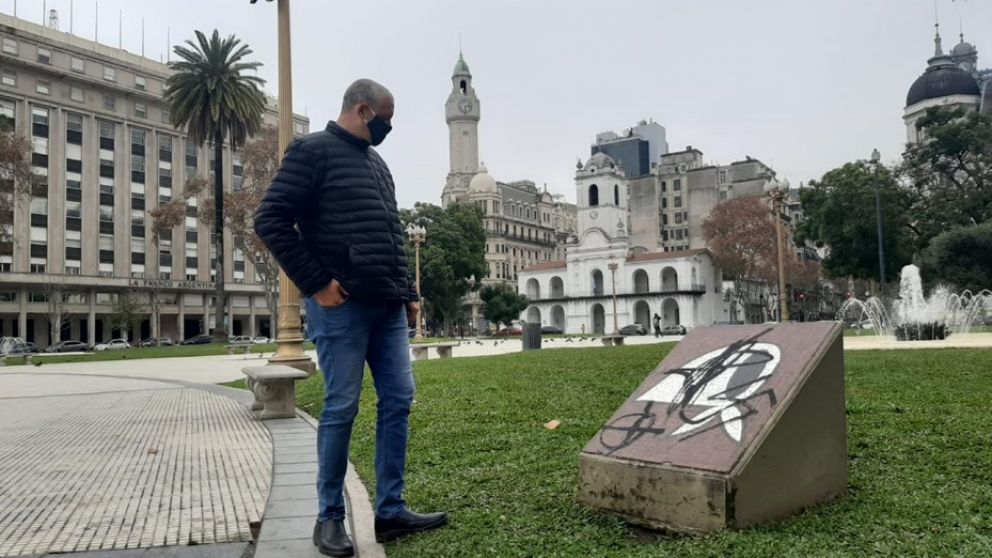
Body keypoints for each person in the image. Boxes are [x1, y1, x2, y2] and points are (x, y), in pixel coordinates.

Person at [255, 79, 447, 557]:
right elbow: (271, 218)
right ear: (363, 111)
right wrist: (316, 283)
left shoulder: (378, 165)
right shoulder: (311, 151)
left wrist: (410, 292)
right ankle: (329, 518)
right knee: (342, 406)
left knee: (399, 399)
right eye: (386, 117)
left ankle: (390, 510)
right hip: (341, 306)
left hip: (387, 307)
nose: (389, 126)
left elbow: (390, 233)